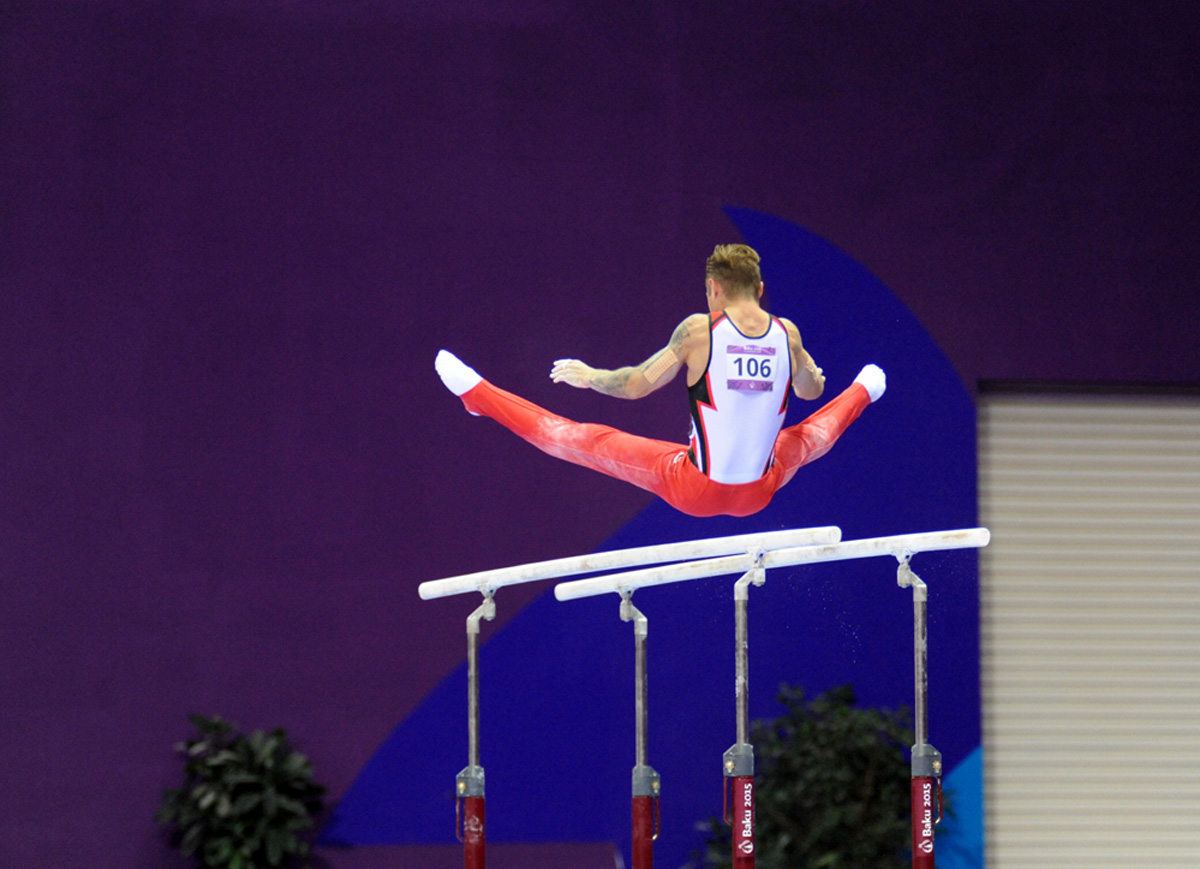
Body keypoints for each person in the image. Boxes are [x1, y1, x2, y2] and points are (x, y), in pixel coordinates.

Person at [435, 243, 885, 518]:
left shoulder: (698, 331)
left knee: (586, 442)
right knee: (810, 438)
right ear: (761, 288)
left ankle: (479, 395)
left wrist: (591, 377)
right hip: (760, 491)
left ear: (713, 289)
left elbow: (635, 385)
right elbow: (811, 393)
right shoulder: (788, 335)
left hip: (695, 488)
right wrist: (807, 369)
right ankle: (866, 389)